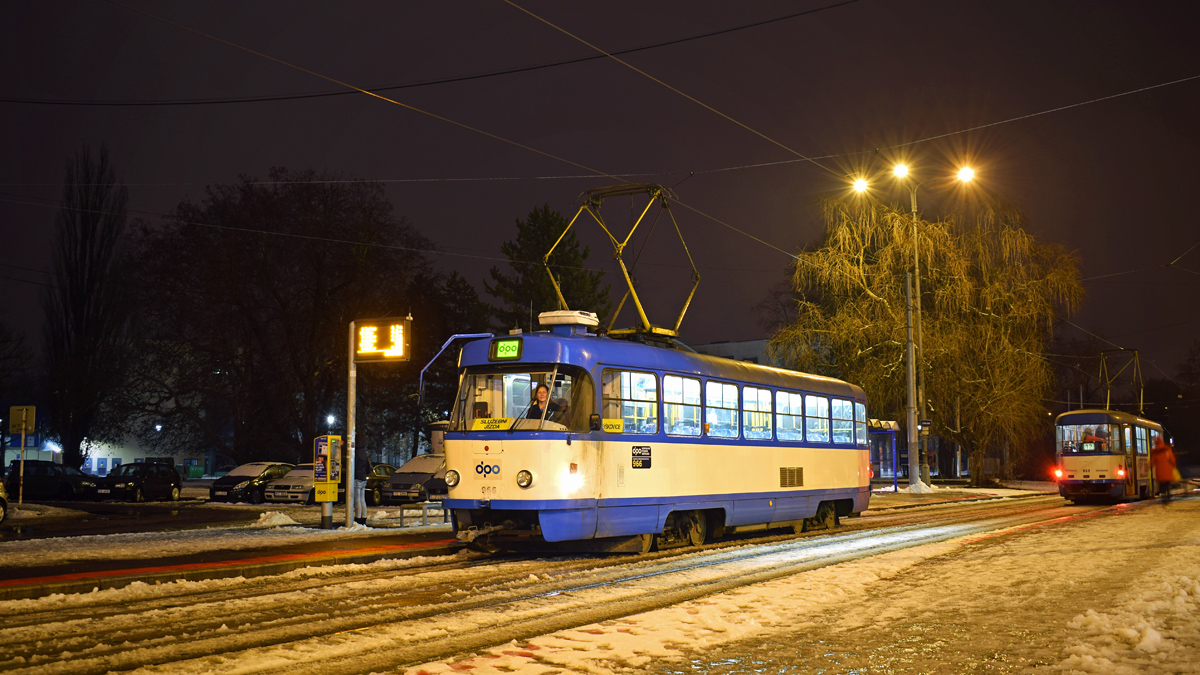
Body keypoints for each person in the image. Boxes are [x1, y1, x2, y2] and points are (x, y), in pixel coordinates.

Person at [1149, 436, 1179, 504]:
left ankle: (1163, 497)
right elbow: (1172, 459)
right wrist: (1174, 465)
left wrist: (1149, 467)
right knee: (1167, 485)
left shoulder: (1156, 452)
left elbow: (1152, 462)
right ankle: (1168, 497)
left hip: (1159, 472)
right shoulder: (1167, 450)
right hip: (1168, 471)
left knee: (1162, 485)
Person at [353, 450, 370, 524]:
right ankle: (363, 517)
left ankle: (358, 518)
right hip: (363, 477)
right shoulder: (364, 453)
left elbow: (353, 466)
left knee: (357, 500)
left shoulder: (355, 453)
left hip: (357, 477)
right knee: (362, 499)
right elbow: (368, 468)